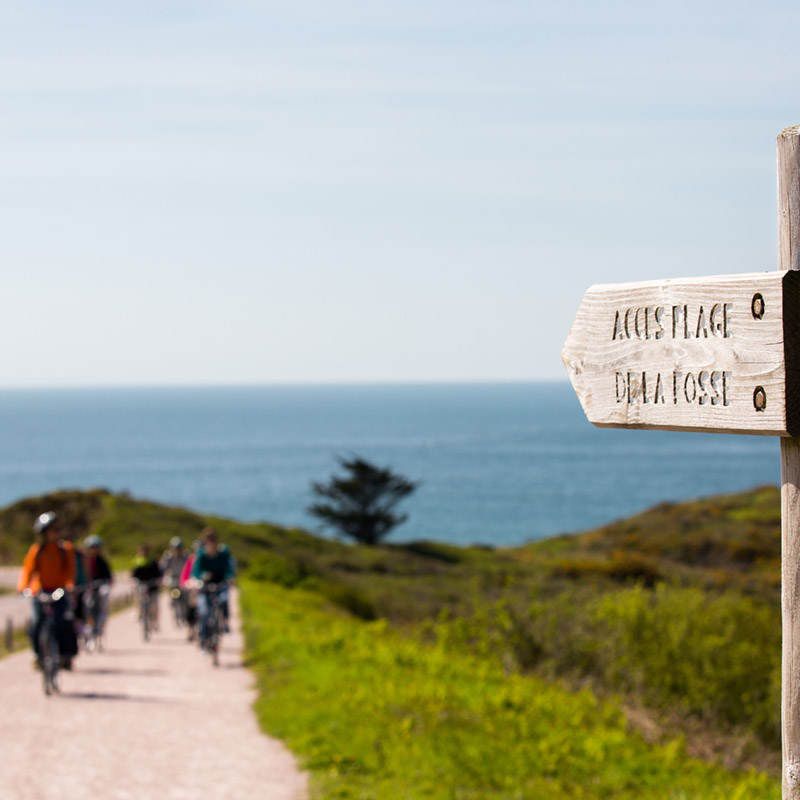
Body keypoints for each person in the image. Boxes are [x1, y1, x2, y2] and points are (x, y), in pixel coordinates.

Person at [17, 512, 77, 670]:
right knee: (36, 624)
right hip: (41, 591)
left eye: (55, 530)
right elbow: (28, 571)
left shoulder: (65, 549)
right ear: (43, 533)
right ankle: (39, 656)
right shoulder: (37, 550)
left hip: (59, 591)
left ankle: (65, 655)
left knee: (61, 621)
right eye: (50, 530)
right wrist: (24, 587)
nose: (53, 533)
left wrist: (69, 585)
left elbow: (70, 572)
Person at [191, 528, 235, 649]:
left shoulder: (223, 553)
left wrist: (230, 578)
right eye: (208, 539)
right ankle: (204, 641)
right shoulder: (201, 553)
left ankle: (225, 622)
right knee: (204, 613)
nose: (211, 541)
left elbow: (228, 569)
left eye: (213, 539)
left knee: (224, 600)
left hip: (219, 585)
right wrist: (201, 577)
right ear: (205, 540)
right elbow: (196, 572)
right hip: (204, 588)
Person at [84, 535, 113, 637]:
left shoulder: (103, 561)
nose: (94, 550)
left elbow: (109, 576)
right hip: (89, 587)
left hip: (100, 586)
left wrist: (107, 582)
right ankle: (87, 623)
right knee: (86, 601)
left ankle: (102, 619)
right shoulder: (86, 561)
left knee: (104, 594)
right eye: (92, 548)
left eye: (95, 547)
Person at [131, 544, 162, 631]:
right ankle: (138, 614)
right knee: (137, 600)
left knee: (155, 604)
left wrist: (158, 580)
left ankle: (155, 621)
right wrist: (133, 581)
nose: (144, 553)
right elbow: (133, 575)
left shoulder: (153, 561)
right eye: (142, 551)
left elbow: (158, 574)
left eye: (145, 551)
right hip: (141, 586)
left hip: (152, 586)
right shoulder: (137, 561)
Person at [160, 537, 188, 627]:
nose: (177, 550)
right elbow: (163, 569)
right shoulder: (168, 557)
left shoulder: (185, 557)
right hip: (173, 579)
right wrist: (163, 578)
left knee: (185, 598)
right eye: (175, 548)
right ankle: (174, 608)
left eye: (179, 547)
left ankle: (184, 614)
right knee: (173, 596)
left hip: (183, 580)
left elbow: (189, 569)